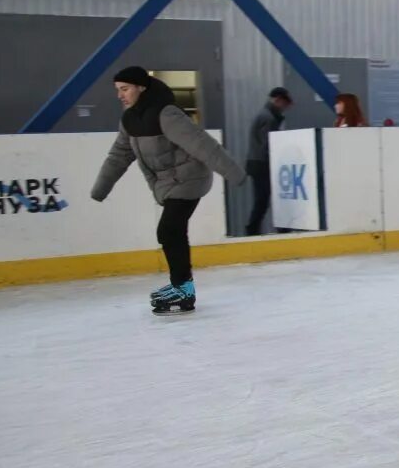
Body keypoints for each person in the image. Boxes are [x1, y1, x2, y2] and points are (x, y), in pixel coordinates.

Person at [91, 66, 247, 314]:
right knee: (171, 231)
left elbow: (202, 145)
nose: (120, 95)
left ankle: (183, 289)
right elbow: (119, 155)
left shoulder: (166, 114)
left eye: (125, 89)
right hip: (168, 184)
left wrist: (235, 174)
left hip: (189, 179)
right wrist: (100, 189)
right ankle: (182, 286)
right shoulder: (130, 120)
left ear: (141, 87)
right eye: (118, 90)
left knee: (169, 229)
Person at [245, 86, 292, 235]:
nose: (285, 108)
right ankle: (254, 229)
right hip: (262, 164)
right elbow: (268, 143)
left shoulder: (266, 114)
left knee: (264, 199)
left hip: (256, 162)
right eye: (285, 104)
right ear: (278, 100)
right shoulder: (269, 117)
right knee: (265, 199)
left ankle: (255, 229)